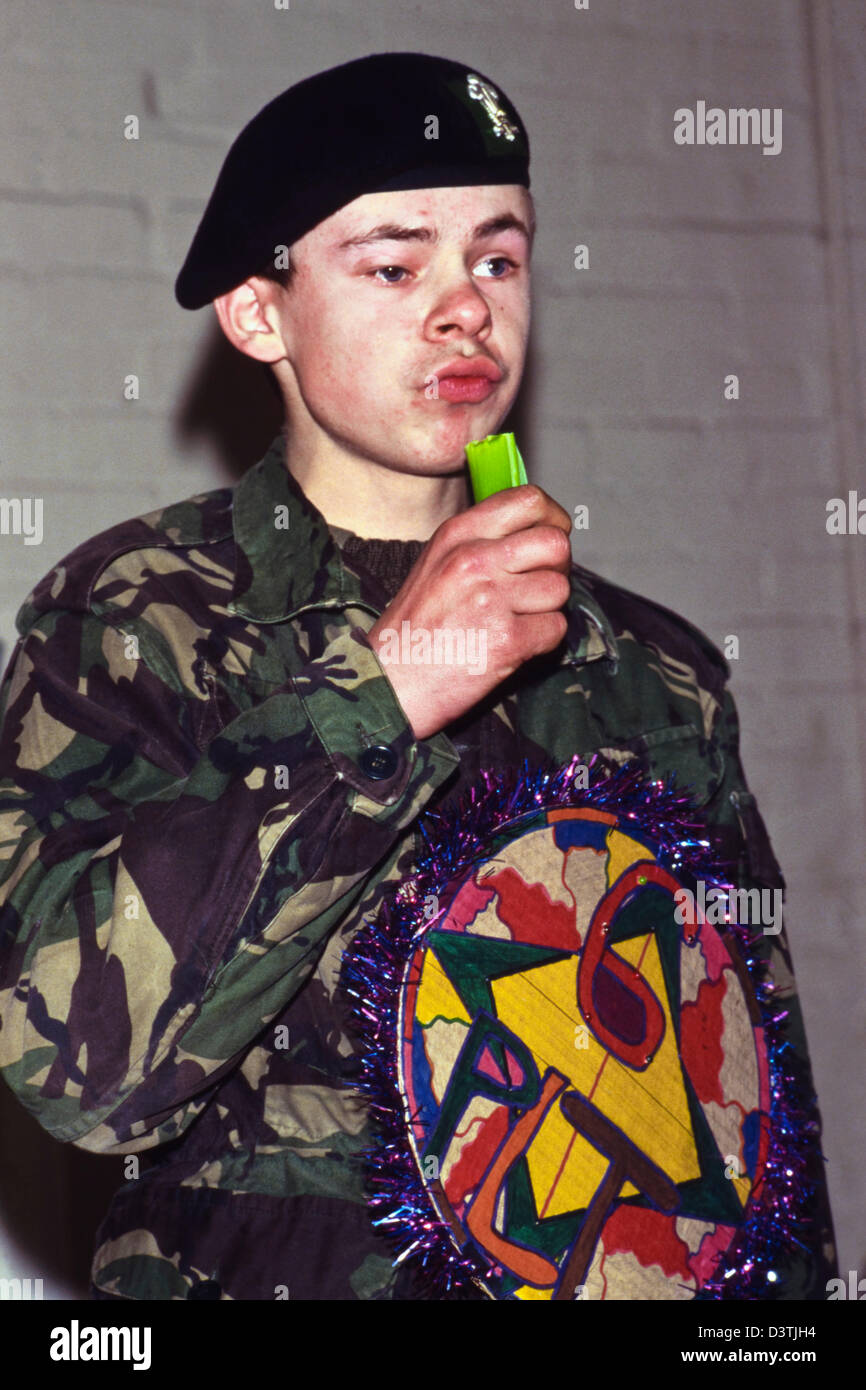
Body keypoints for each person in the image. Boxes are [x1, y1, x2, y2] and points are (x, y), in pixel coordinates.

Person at [0, 52, 835, 1301]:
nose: (466, 311)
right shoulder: (132, 617)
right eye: (395, 266)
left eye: (496, 259)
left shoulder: (652, 671)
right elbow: (79, 1076)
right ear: (258, 313)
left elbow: (751, 1141)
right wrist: (379, 694)